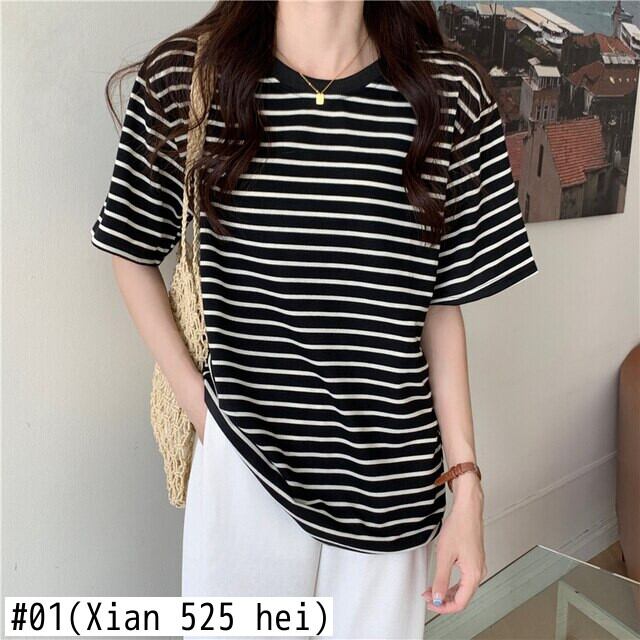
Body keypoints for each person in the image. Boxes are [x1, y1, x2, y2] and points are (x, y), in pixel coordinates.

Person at [90, 1, 539, 638]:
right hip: (246, 465)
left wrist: (466, 485)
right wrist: (204, 412)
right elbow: (129, 249)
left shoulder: (449, 93)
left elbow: (439, 305)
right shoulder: (186, 78)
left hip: (392, 484)